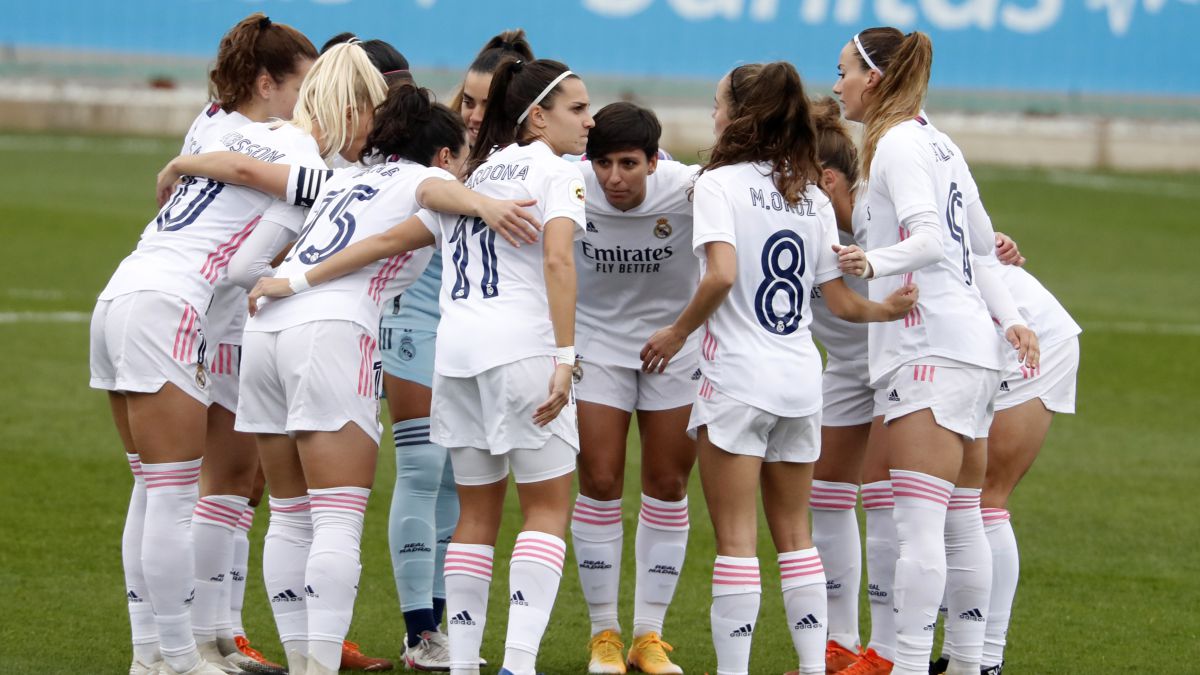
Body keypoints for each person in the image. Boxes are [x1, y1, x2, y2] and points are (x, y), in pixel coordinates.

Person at [248, 57, 592, 675]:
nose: (588, 121)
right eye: (577, 108)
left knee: (475, 515)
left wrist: (292, 278)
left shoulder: (476, 171)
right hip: (521, 350)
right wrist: (567, 357)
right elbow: (559, 261)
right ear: (537, 116)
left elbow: (383, 241)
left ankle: (459, 662)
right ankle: (516, 663)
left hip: (454, 359)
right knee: (544, 509)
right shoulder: (551, 172)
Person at [640, 62, 917, 675]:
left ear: (741, 114)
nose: (713, 116)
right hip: (800, 383)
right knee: (796, 538)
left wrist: (677, 331)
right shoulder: (811, 195)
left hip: (738, 379)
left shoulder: (719, 185)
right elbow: (839, 302)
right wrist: (885, 309)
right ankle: (815, 668)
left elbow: (721, 275)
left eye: (717, 104)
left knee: (737, 542)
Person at [91, 13, 315, 675]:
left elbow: (233, 163)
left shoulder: (210, 120)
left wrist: (187, 159)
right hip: (170, 304)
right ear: (269, 83)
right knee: (171, 493)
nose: (308, 104)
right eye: (302, 87)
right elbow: (307, 197)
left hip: (121, 294)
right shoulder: (290, 143)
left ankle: (152, 655)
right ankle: (180, 656)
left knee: (152, 489)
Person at [829, 28, 1037, 675]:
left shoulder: (896, 146)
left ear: (873, 78)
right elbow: (981, 243)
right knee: (962, 519)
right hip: (970, 350)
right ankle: (970, 664)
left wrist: (873, 258)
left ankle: (912, 663)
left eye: (842, 72)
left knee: (921, 525)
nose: (837, 85)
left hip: (928, 348)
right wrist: (1011, 320)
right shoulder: (940, 141)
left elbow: (930, 240)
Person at [381, 29, 534, 671]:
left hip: (478, 333)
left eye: (483, 103)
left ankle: (439, 628)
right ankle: (421, 631)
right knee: (423, 468)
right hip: (419, 313)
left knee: (460, 478)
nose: (471, 113)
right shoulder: (441, 150)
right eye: (466, 100)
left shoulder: (535, 158)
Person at [567, 101, 698, 675]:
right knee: (598, 479)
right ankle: (604, 637)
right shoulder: (568, 184)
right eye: (602, 163)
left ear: (654, 160)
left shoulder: (691, 188)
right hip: (597, 343)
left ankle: (649, 636)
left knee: (667, 483)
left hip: (676, 345)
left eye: (628, 164)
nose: (613, 178)